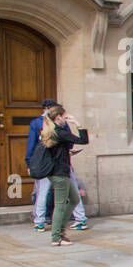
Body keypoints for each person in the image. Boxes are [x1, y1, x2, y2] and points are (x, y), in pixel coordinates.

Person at [39, 105, 89, 247]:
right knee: (60, 205)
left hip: (58, 171)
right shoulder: (59, 132)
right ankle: (56, 237)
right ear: (58, 117)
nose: (66, 120)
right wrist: (77, 124)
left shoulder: (50, 132)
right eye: (65, 117)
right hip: (59, 172)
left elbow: (56, 150)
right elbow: (83, 140)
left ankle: (60, 232)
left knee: (73, 199)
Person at [26, 98, 59, 232]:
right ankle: (80, 217)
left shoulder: (36, 123)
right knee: (69, 189)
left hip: (43, 161)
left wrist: (29, 162)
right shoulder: (59, 121)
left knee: (42, 191)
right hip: (58, 160)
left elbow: (31, 144)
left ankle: (39, 221)